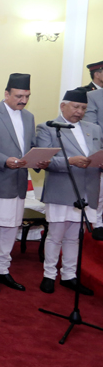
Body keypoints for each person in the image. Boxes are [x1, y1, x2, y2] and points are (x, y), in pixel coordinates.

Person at [0, 73, 49, 292]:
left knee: (10, 229)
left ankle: (3, 269)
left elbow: (30, 147)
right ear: (6, 94)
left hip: (18, 183)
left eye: (27, 96)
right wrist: (3, 160)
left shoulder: (29, 117)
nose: (23, 101)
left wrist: (40, 159)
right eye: (19, 96)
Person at [36, 90, 100, 296]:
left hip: (87, 189)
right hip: (61, 188)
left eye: (83, 108)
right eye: (75, 107)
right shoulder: (48, 127)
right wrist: (69, 162)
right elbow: (44, 161)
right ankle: (48, 275)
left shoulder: (94, 128)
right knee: (55, 235)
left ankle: (69, 276)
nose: (79, 112)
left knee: (75, 237)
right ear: (63, 106)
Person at [81, 61, 103, 237]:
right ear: (98, 73)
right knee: (99, 189)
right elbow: (91, 126)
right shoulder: (87, 93)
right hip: (98, 147)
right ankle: (98, 222)